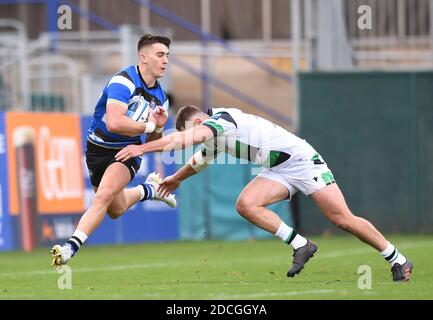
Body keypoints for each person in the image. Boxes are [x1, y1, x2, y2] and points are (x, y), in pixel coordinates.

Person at [115, 105, 414, 281]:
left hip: (302, 160)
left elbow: (184, 141)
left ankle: (397, 258)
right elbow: (197, 162)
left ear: (196, 122)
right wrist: (176, 179)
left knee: (342, 219)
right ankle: (301, 244)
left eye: (192, 132)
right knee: (245, 204)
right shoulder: (216, 135)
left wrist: (142, 146)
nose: (195, 139)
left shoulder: (221, 121)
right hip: (278, 169)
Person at [50, 34, 176, 267]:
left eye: (167, 55)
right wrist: (149, 125)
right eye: (160, 55)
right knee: (115, 209)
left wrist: (158, 127)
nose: (165, 60)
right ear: (143, 57)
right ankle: (149, 190)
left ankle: (70, 247)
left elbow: (153, 141)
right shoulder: (124, 81)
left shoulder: (161, 98)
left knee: (103, 196)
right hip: (97, 149)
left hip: (126, 151)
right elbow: (114, 123)